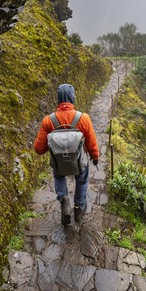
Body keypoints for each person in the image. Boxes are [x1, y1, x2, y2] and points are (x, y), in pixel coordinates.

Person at [34, 83, 99, 224]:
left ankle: (63, 197)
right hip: (78, 162)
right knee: (82, 180)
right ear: (72, 97)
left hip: (59, 164)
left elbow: (38, 148)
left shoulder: (48, 121)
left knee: (59, 177)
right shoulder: (83, 118)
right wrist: (95, 157)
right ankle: (79, 207)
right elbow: (91, 142)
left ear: (58, 99)